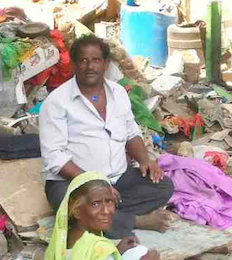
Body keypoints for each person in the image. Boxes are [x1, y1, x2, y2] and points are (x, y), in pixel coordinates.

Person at [40, 34, 175, 239]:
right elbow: (54, 156)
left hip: (117, 178)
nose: (89, 66)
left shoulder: (118, 93)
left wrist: (145, 160)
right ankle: (136, 220)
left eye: (95, 60)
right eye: (83, 60)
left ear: (105, 63)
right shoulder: (57, 101)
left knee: (163, 186)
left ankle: (104, 215)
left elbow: (131, 132)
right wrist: (95, 186)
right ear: (74, 65)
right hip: (75, 183)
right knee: (68, 203)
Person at [45, 172, 159, 260]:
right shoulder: (99, 247)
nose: (106, 211)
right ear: (77, 211)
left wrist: (116, 252)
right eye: (95, 204)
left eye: (109, 201)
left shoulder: (63, 238)